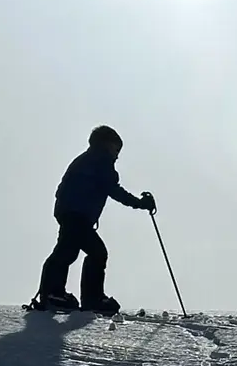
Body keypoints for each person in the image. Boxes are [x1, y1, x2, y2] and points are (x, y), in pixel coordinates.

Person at [34, 125, 153, 314]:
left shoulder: (88, 160)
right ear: (106, 145)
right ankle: (89, 298)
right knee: (96, 252)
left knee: (67, 251)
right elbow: (113, 190)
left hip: (70, 213)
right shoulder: (100, 161)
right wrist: (140, 203)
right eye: (116, 149)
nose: (117, 155)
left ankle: (55, 294)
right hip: (76, 215)